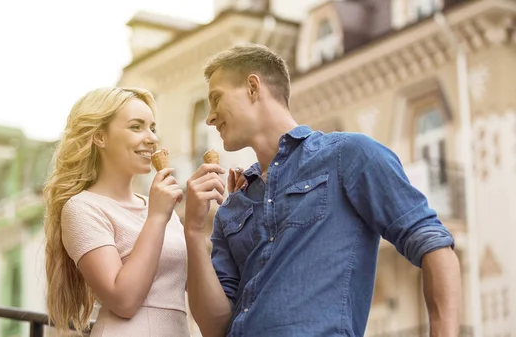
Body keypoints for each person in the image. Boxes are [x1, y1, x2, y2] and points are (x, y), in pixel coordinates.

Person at [184, 44, 462, 337]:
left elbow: (435, 247)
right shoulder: (234, 205)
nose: (210, 117)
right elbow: (214, 327)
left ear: (253, 87)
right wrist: (193, 229)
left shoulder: (348, 155)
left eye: (216, 99)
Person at [43, 87, 189, 336]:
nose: (152, 138)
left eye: (152, 128)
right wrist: (155, 217)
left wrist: (195, 224)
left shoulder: (161, 207)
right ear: (100, 137)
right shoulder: (82, 208)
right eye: (136, 127)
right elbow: (123, 300)